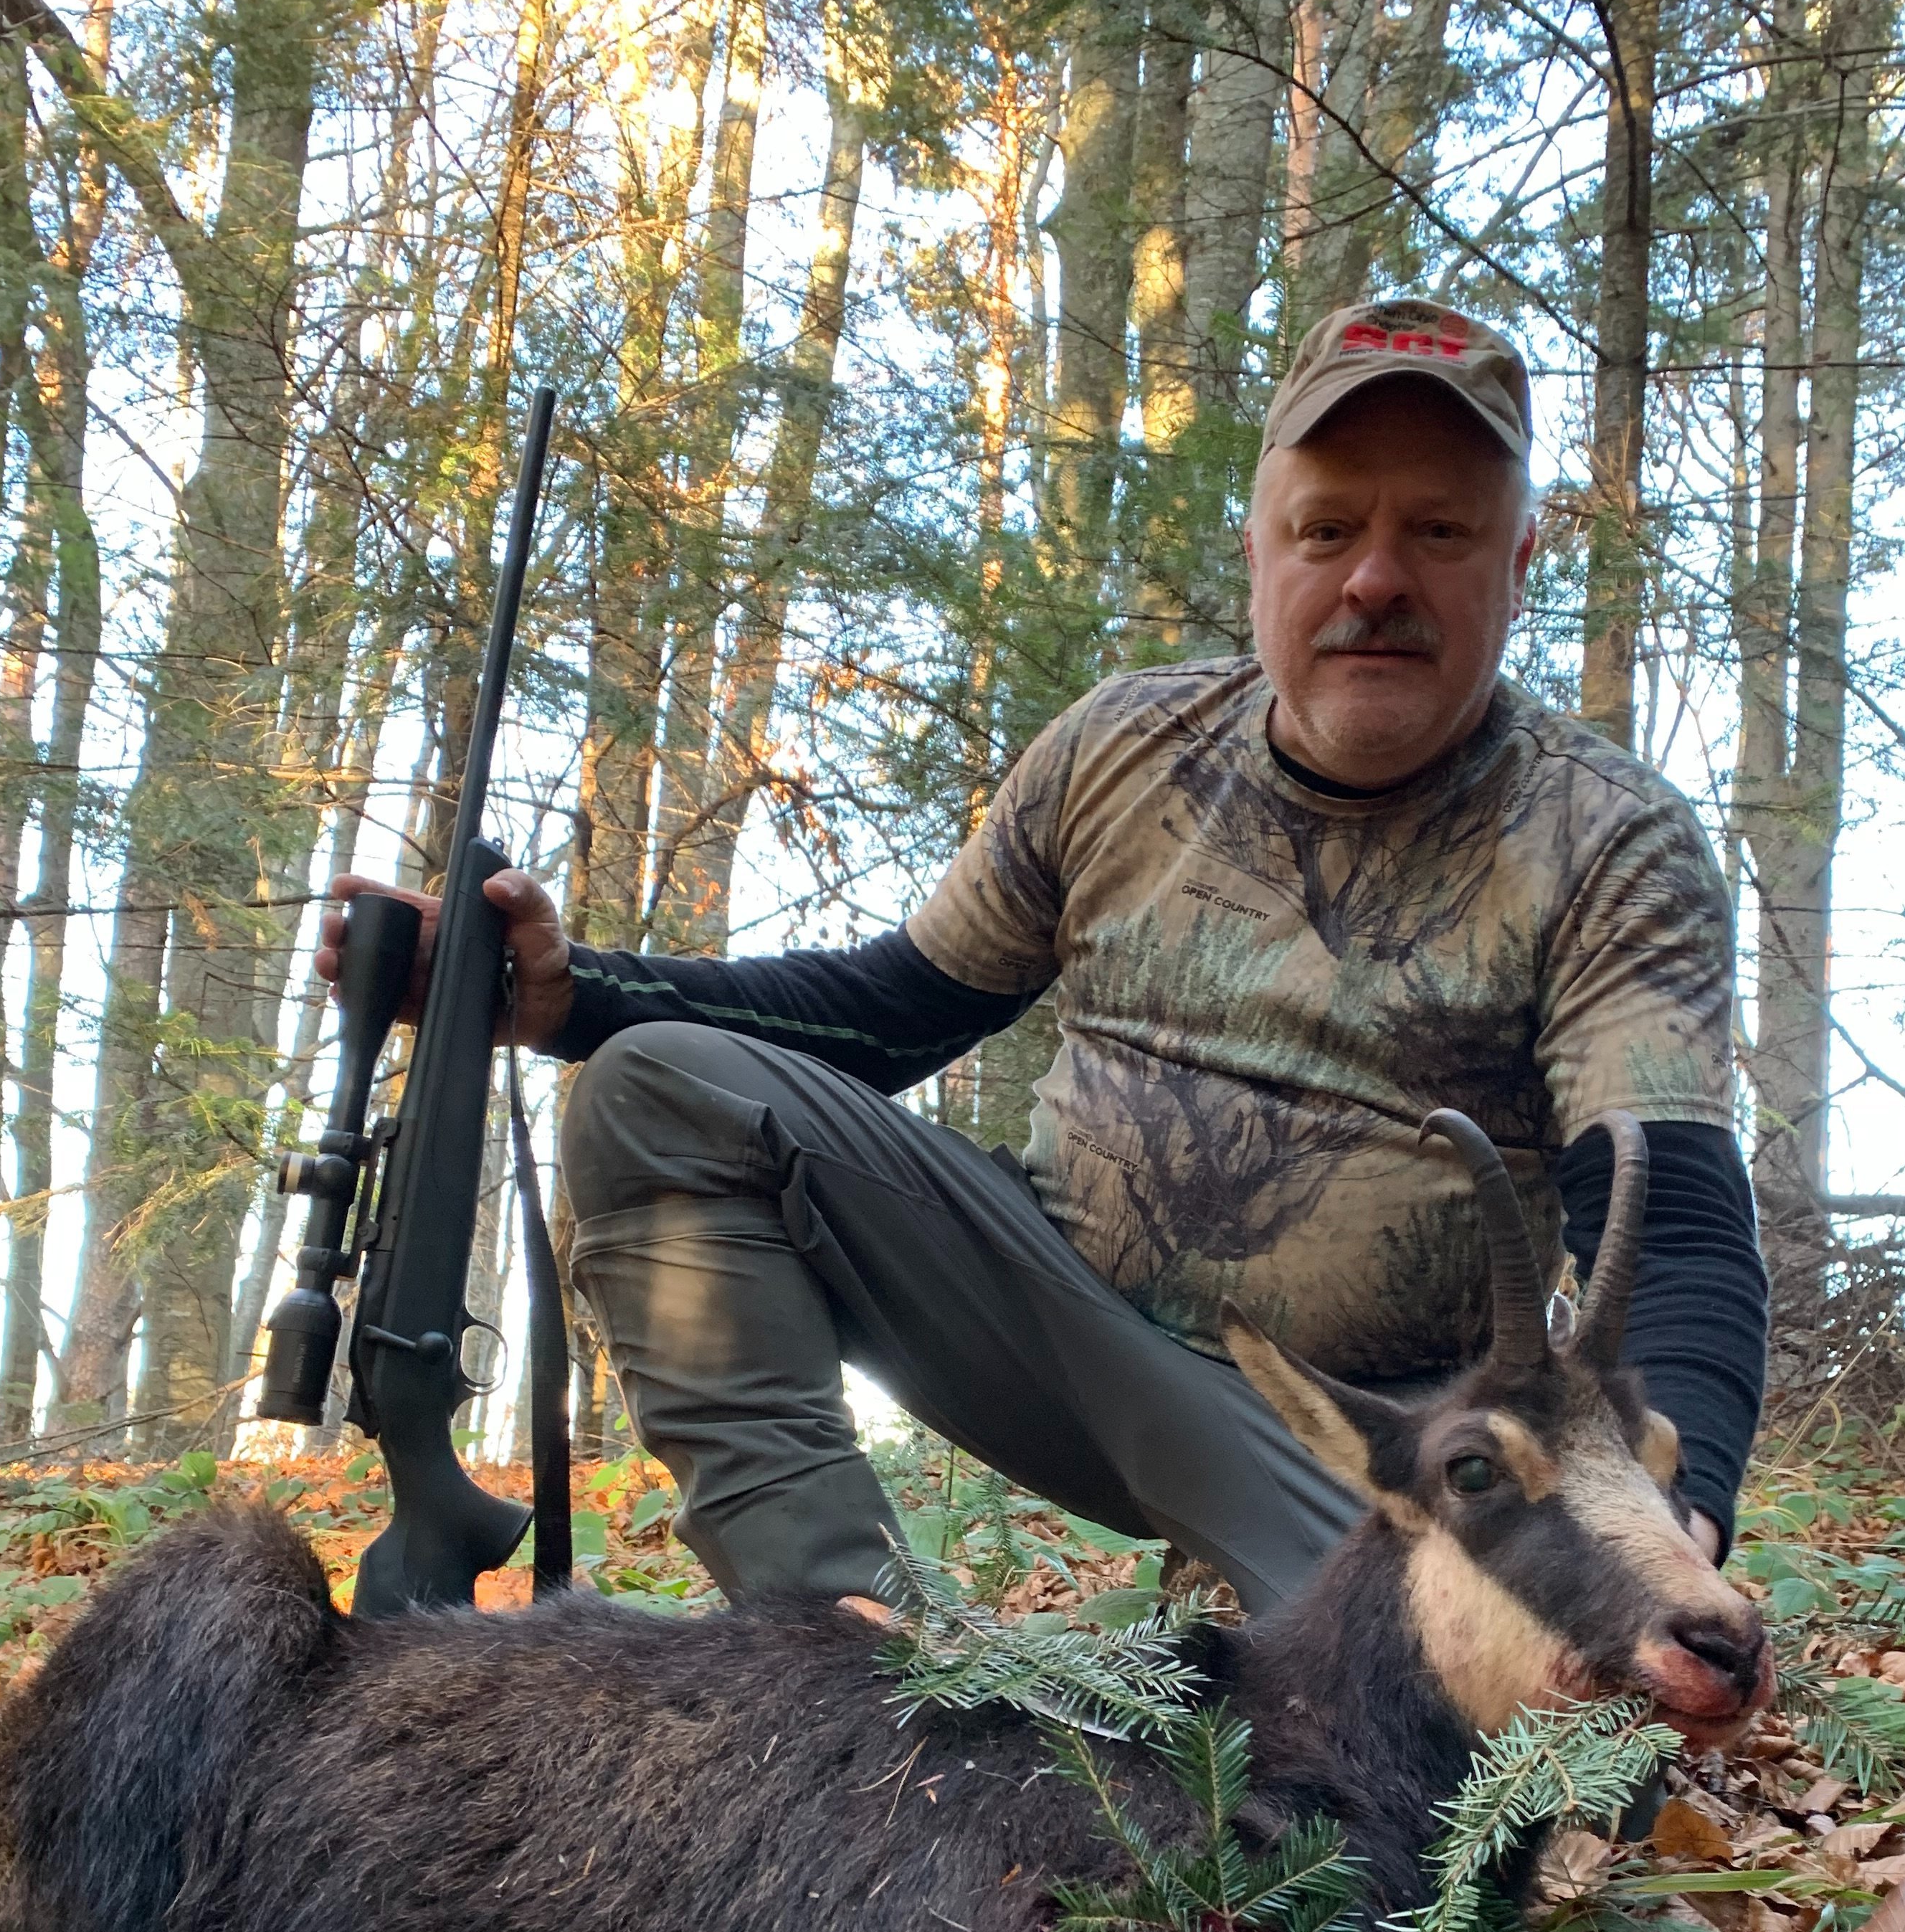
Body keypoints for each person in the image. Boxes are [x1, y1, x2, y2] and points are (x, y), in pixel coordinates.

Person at [319, 298, 1766, 1615]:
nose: (1375, 579)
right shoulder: (1121, 750)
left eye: (1439, 534)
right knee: (659, 1090)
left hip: (1383, 1438)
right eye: (1329, 531)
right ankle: (859, 1666)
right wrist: (579, 1000)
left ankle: (1261, 1632)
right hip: (1057, 1328)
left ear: (1516, 563)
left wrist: (1669, 1512)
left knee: (1534, 1759)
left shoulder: (1604, 840)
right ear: (1261, 552)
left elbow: (1678, 1220)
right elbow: (892, 1015)